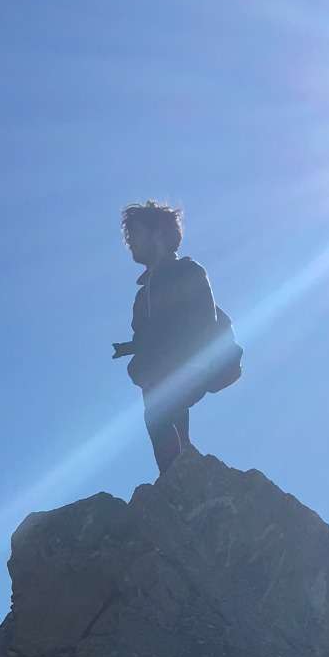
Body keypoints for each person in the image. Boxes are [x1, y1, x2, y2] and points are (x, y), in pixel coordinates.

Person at [112, 201, 219, 476]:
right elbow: (148, 332)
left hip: (186, 362)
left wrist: (196, 359)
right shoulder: (142, 293)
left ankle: (179, 474)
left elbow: (204, 317)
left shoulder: (186, 271)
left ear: (157, 233)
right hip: (159, 368)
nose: (130, 242)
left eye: (134, 234)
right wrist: (131, 348)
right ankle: (180, 470)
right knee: (163, 416)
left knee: (161, 413)